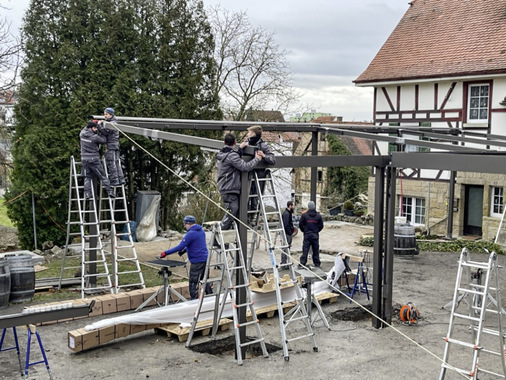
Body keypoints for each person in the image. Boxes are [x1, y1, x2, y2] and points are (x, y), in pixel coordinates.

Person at [217, 132, 265, 230]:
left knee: (233, 211)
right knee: (232, 211)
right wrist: (256, 159)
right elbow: (245, 167)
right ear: (235, 142)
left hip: (226, 187)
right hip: (230, 188)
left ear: (224, 142)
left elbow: (233, 158)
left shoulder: (223, 153)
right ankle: (221, 233)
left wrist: (239, 150)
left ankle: (228, 236)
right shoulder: (232, 156)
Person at [160, 215, 212, 300]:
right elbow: (195, 244)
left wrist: (165, 253)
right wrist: (185, 250)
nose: (184, 226)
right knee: (205, 280)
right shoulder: (201, 230)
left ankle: (194, 302)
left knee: (193, 283)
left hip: (197, 262)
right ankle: (211, 298)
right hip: (205, 260)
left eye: (185, 224)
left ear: (189, 224)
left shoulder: (190, 234)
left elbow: (179, 247)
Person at [239, 125, 276, 225]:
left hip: (258, 176)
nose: (247, 134)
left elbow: (272, 159)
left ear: (254, 134)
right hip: (247, 176)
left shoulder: (263, 146)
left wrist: (264, 156)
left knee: (255, 199)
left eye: (249, 133)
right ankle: (245, 220)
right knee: (245, 197)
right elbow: (238, 157)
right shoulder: (246, 144)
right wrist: (241, 149)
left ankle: (251, 220)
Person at [79, 121, 115, 199]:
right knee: (102, 176)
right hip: (93, 159)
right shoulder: (94, 137)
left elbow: (86, 127)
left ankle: (87, 194)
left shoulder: (82, 133)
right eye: (95, 128)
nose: (96, 130)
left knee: (87, 177)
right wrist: (100, 127)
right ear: (91, 128)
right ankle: (110, 191)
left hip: (84, 159)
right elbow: (104, 140)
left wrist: (94, 123)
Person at [98, 107, 125, 186]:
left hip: (111, 145)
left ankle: (114, 180)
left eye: (106, 114)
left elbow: (106, 132)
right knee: (116, 162)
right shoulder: (114, 121)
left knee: (111, 162)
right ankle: (121, 178)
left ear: (110, 114)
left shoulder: (111, 124)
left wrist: (99, 126)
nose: (105, 116)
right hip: (115, 144)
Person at [299, 200, 324, 268]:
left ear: (308, 207)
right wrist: (316, 230)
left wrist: (304, 230)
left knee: (305, 249)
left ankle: (302, 262)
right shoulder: (318, 216)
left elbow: (301, 224)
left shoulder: (304, 215)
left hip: (307, 235)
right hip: (315, 235)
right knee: (315, 250)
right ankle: (317, 263)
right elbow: (321, 225)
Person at [281, 200, 295, 267]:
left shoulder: (288, 213)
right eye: (293, 206)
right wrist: (290, 232)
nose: (294, 207)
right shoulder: (287, 214)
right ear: (290, 206)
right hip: (287, 233)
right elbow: (286, 224)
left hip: (288, 232)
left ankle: (284, 262)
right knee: (286, 248)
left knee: (287, 247)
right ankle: (284, 263)